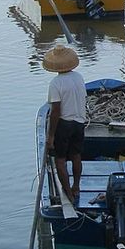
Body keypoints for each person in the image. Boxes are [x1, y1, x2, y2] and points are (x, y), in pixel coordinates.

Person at [43, 45, 86, 203]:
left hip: (65, 123)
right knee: (76, 155)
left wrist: (51, 136)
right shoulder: (79, 77)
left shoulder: (56, 83)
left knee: (60, 159)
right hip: (79, 122)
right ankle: (76, 186)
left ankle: (67, 192)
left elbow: (55, 110)